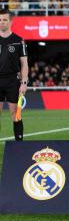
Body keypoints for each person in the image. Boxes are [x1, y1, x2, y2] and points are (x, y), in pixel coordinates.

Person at [0, 9, 28, 141]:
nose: (1, 22)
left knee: (15, 114)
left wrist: (24, 83)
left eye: (4, 19)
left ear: (10, 21)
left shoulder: (18, 40)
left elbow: (24, 64)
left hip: (12, 81)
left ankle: (19, 146)